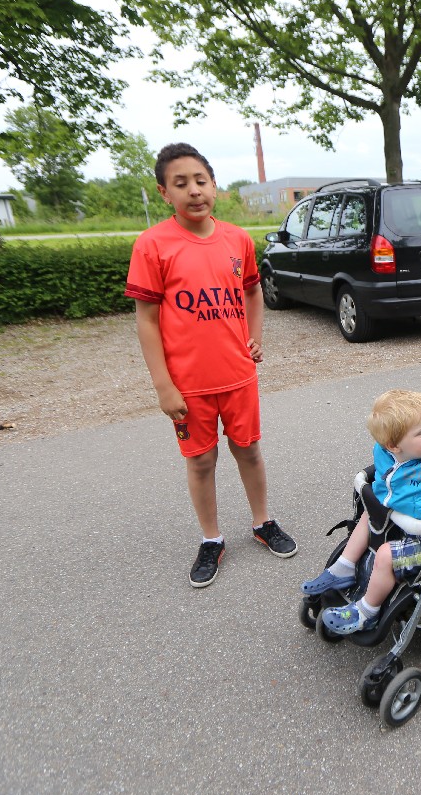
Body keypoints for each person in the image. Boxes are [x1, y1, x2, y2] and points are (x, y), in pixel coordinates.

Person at [125, 142, 297, 589]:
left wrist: (255, 337)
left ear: (214, 185)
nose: (194, 191)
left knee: (249, 450)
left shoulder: (236, 239)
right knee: (201, 461)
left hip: (238, 376)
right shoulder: (152, 245)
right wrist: (163, 386)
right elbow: (146, 320)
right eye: (181, 183)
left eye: (201, 180)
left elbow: (252, 291)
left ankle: (262, 522)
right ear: (164, 192)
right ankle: (211, 538)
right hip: (188, 385)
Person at [305, 390, 421, 634]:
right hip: (400, 517)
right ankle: (344, 567)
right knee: (369, 513)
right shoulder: (384, 452)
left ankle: (367, 612)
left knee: (385, 556)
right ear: (393, 446)